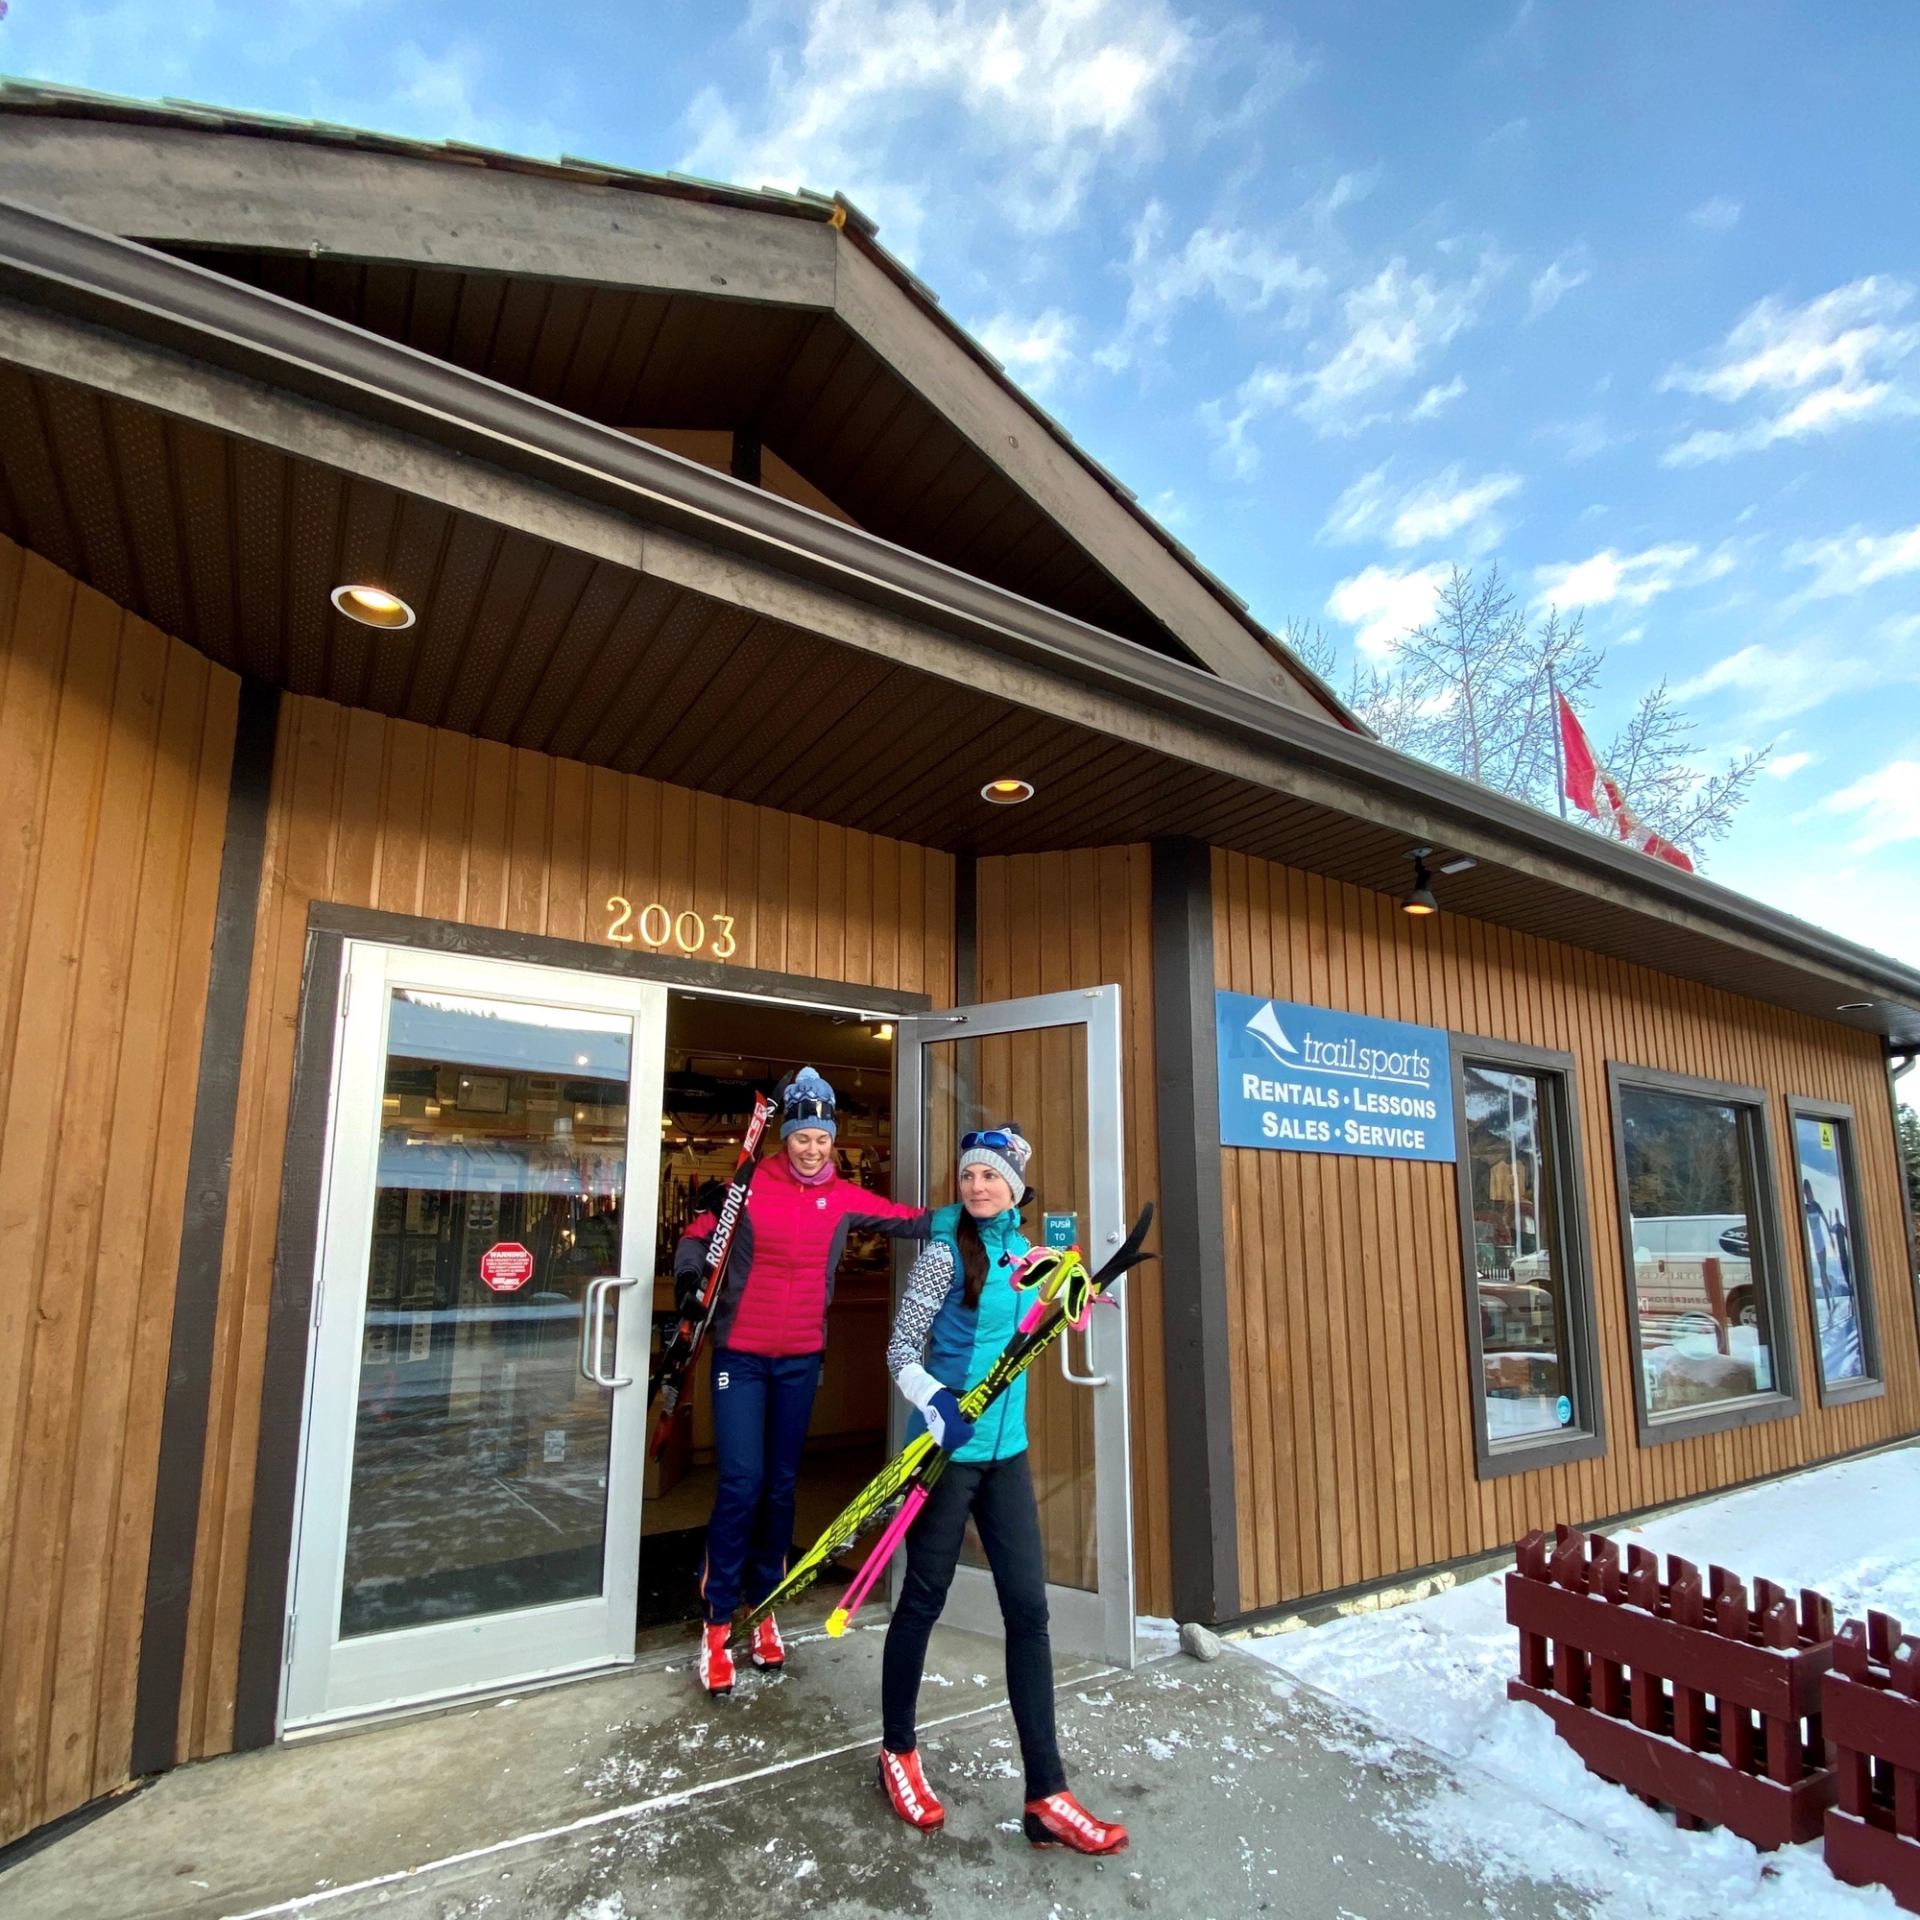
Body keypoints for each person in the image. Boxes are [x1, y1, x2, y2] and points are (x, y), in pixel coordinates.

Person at [875, 1124, 1129, 1855]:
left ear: (1015, 1187)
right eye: (968, 1177)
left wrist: (1079, 1294)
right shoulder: (941, 1253)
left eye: (991, 1177)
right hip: (949, 1449)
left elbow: (1059, 1319)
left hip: (1007, 1455)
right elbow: (901, 1347)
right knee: (922, 1602)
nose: (977, 1187)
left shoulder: (1027, 1256)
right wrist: (934, 1402)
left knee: (1030, 1612)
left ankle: (1046, 1792)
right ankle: (897, 1749)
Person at [674, 1069, 931, 1696]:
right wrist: (686, 1277)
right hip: (740, 1355)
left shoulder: (843, 1196)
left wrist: (985, 1211)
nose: (811, 1147)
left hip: (798, 1360)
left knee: (782, 1488)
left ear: (832, 1140)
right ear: (784, 1136)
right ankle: (714, 1624)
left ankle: (763, 1610)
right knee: (741, 1482)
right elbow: (698, 1234)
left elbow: (911, 1220)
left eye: (821, 1137)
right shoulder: (749, 1185)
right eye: (801, 1136)